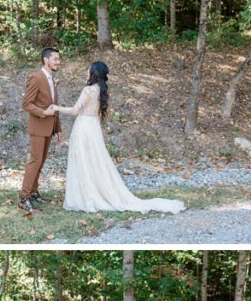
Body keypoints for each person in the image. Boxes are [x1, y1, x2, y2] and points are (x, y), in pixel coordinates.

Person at [49, 61, 184, 214]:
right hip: (93, 127)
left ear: (94, 73)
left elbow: (74, 111)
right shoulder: (101, 90)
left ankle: (85, 197)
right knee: (95, 160)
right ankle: (95, 193)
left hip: (84, 127)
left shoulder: (88, 90)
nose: (86, 71)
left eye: (88, 70)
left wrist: (56, 108)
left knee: (83, 160)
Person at [19, 47, 65, 212]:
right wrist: (43, 113)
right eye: (55, 59)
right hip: (38, 127)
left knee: (41, 161)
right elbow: (26, 104)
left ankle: (33, 191)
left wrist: (58, 129)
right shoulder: (36, 77)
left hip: (49, 129)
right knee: (35, 161)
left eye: (59, 60)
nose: (58, 62)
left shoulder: (52, 79)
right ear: (46, 60)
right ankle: (24, 198)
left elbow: (54, 106)